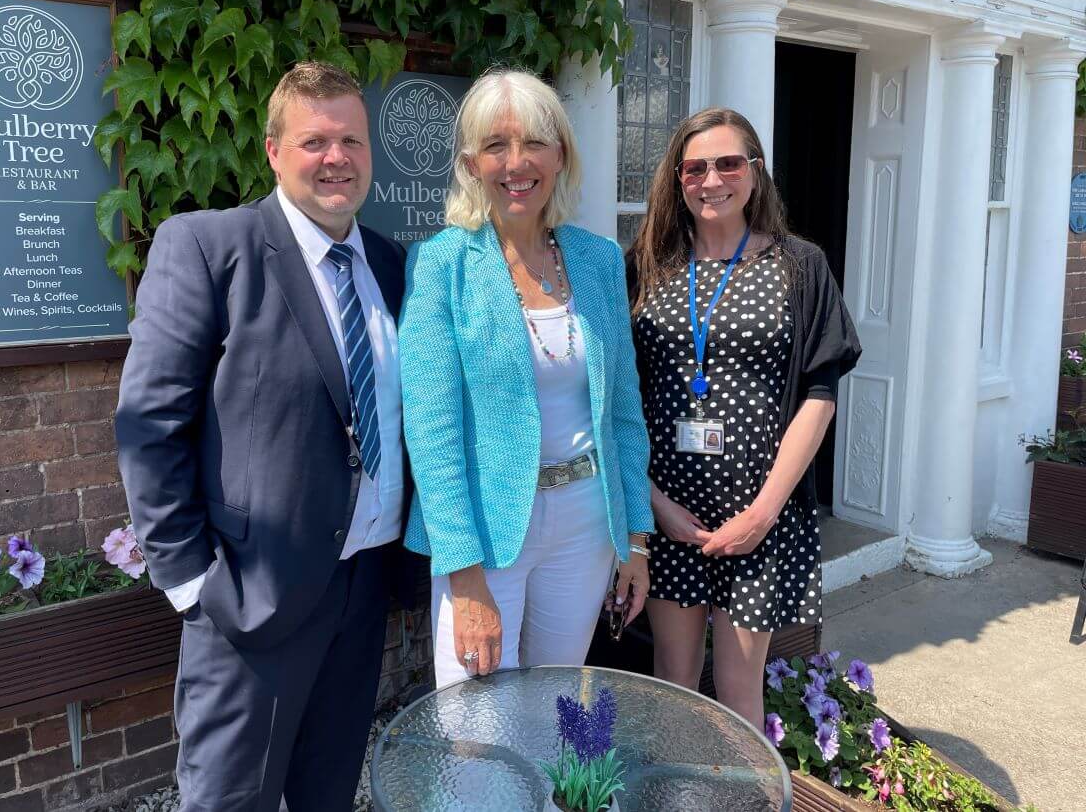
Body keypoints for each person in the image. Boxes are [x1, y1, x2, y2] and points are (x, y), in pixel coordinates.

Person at [115, 62, 414, 812]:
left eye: (351, 138)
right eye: (315, 140)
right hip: (254, 594)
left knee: (329, 791)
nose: (336, 157)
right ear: (275, 152)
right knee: (229, 800)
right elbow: (151, 423)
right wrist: (191, 581)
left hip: (363, 585)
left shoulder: (388, 261)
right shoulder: (210, 248)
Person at [399, 69, 654, 689]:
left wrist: (637, 539)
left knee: (554, 703)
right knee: (473, 718)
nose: (518, 163)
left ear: (561, 154)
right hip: (487, 534)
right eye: (496, 146)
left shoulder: (595, 260)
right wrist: (461, 571)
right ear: (470, 162)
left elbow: (623, 410)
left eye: (535, 142)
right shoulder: (443, 265)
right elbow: (432, 433)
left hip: (588, 526)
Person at [627, 107, 860, 730]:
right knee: (671, 682)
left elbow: (820, 393)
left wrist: (763, 513)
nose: (712, 180)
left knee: (737, 695)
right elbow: (617, 398)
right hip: (670, 514)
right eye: (694, 168)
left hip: (757, 515)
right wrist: (651, 504)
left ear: (755, 172)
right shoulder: (647, 267)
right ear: (677, 180)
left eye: (728, 163)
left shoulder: (798, 266)